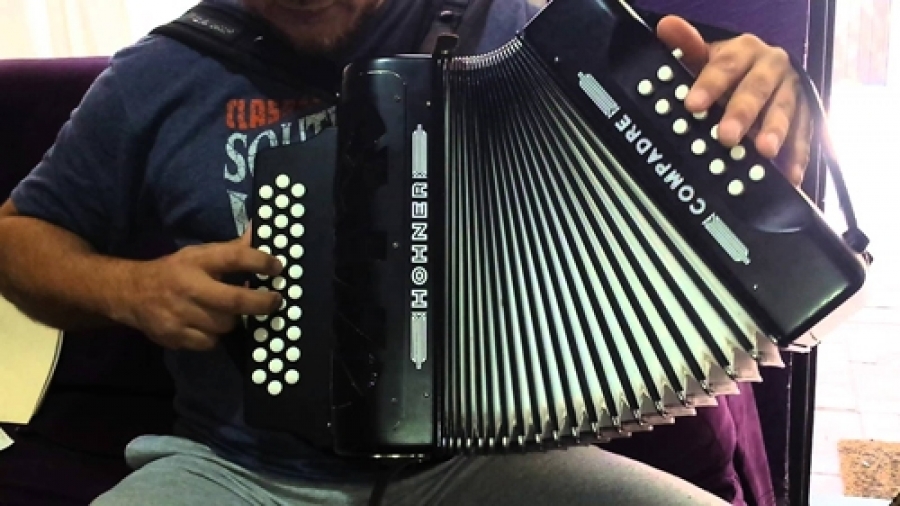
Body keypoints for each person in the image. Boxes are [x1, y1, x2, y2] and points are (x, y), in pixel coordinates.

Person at [0, 0, 812, 504]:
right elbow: (17, 236)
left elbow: (688, 168)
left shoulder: (509, 26)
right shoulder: (160, 74)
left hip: (490, 458)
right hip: (237, 471)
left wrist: (761, 111)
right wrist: (133, 290)